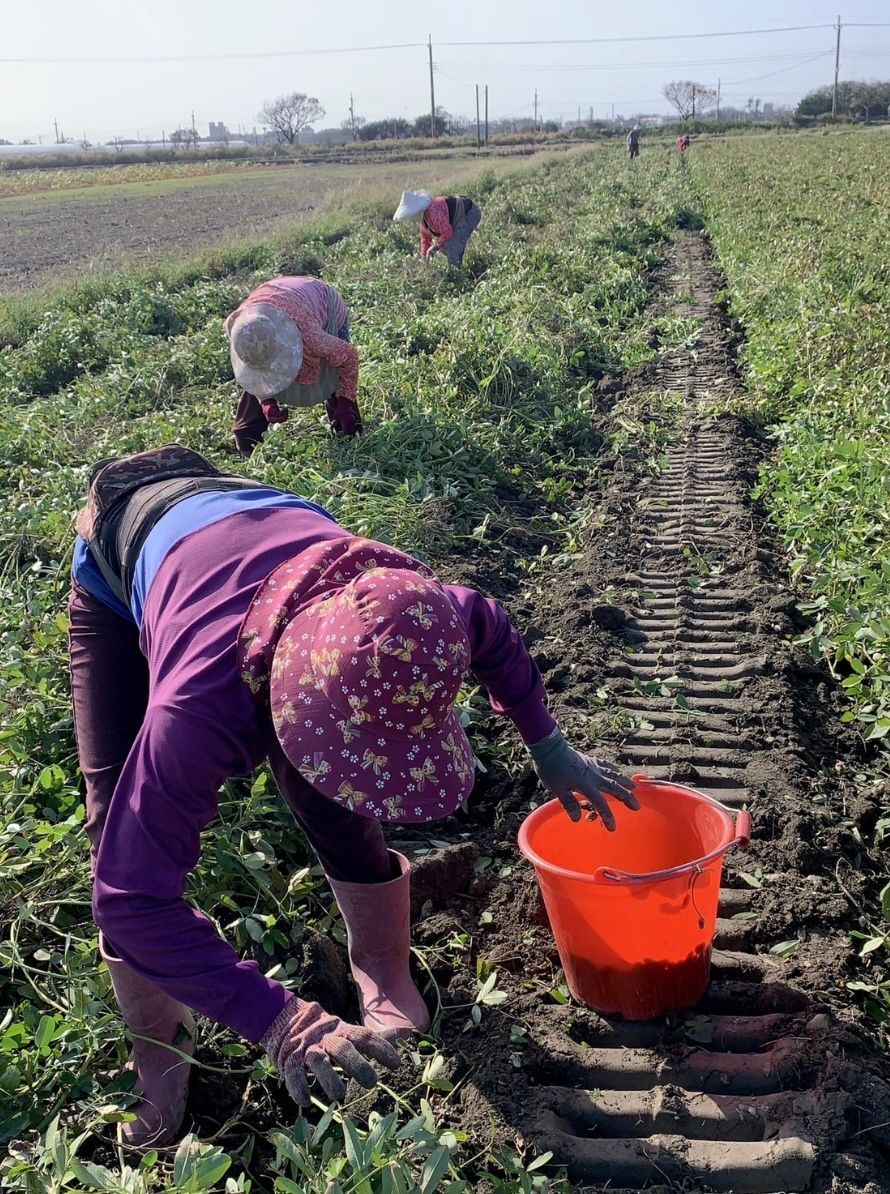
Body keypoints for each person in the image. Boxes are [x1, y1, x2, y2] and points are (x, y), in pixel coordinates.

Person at [69, 444, 639, 1147]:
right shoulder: (198, 709)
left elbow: (491, 627)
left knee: (335, 793)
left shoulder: (418, 616)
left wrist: (551, 749)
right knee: (113, 826)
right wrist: (283, 1022)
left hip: (264, 522)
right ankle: (158, 1050)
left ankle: (380, 963)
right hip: (126, 553)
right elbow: (130, 900)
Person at [225, 276, 361, 457]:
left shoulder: (311, 337)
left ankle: (349, 434)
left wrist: (345, 402)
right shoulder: (238, 328)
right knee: (258, 363)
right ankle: (247, 443)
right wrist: (265, 400)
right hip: (279, 297)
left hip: (322, 302)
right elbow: (255, 371)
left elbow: (348, 357)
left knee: (332, 371)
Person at [393, 191, 482, 268]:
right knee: (445, 247)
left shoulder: (433, 212)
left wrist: (434, 247)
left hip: (470, 213)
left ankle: (455, 275)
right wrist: (424, 257)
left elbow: (447, 232)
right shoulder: (423, 220)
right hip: (457, 218)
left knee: (451, 246)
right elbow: (425, 239)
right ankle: (457, 264)